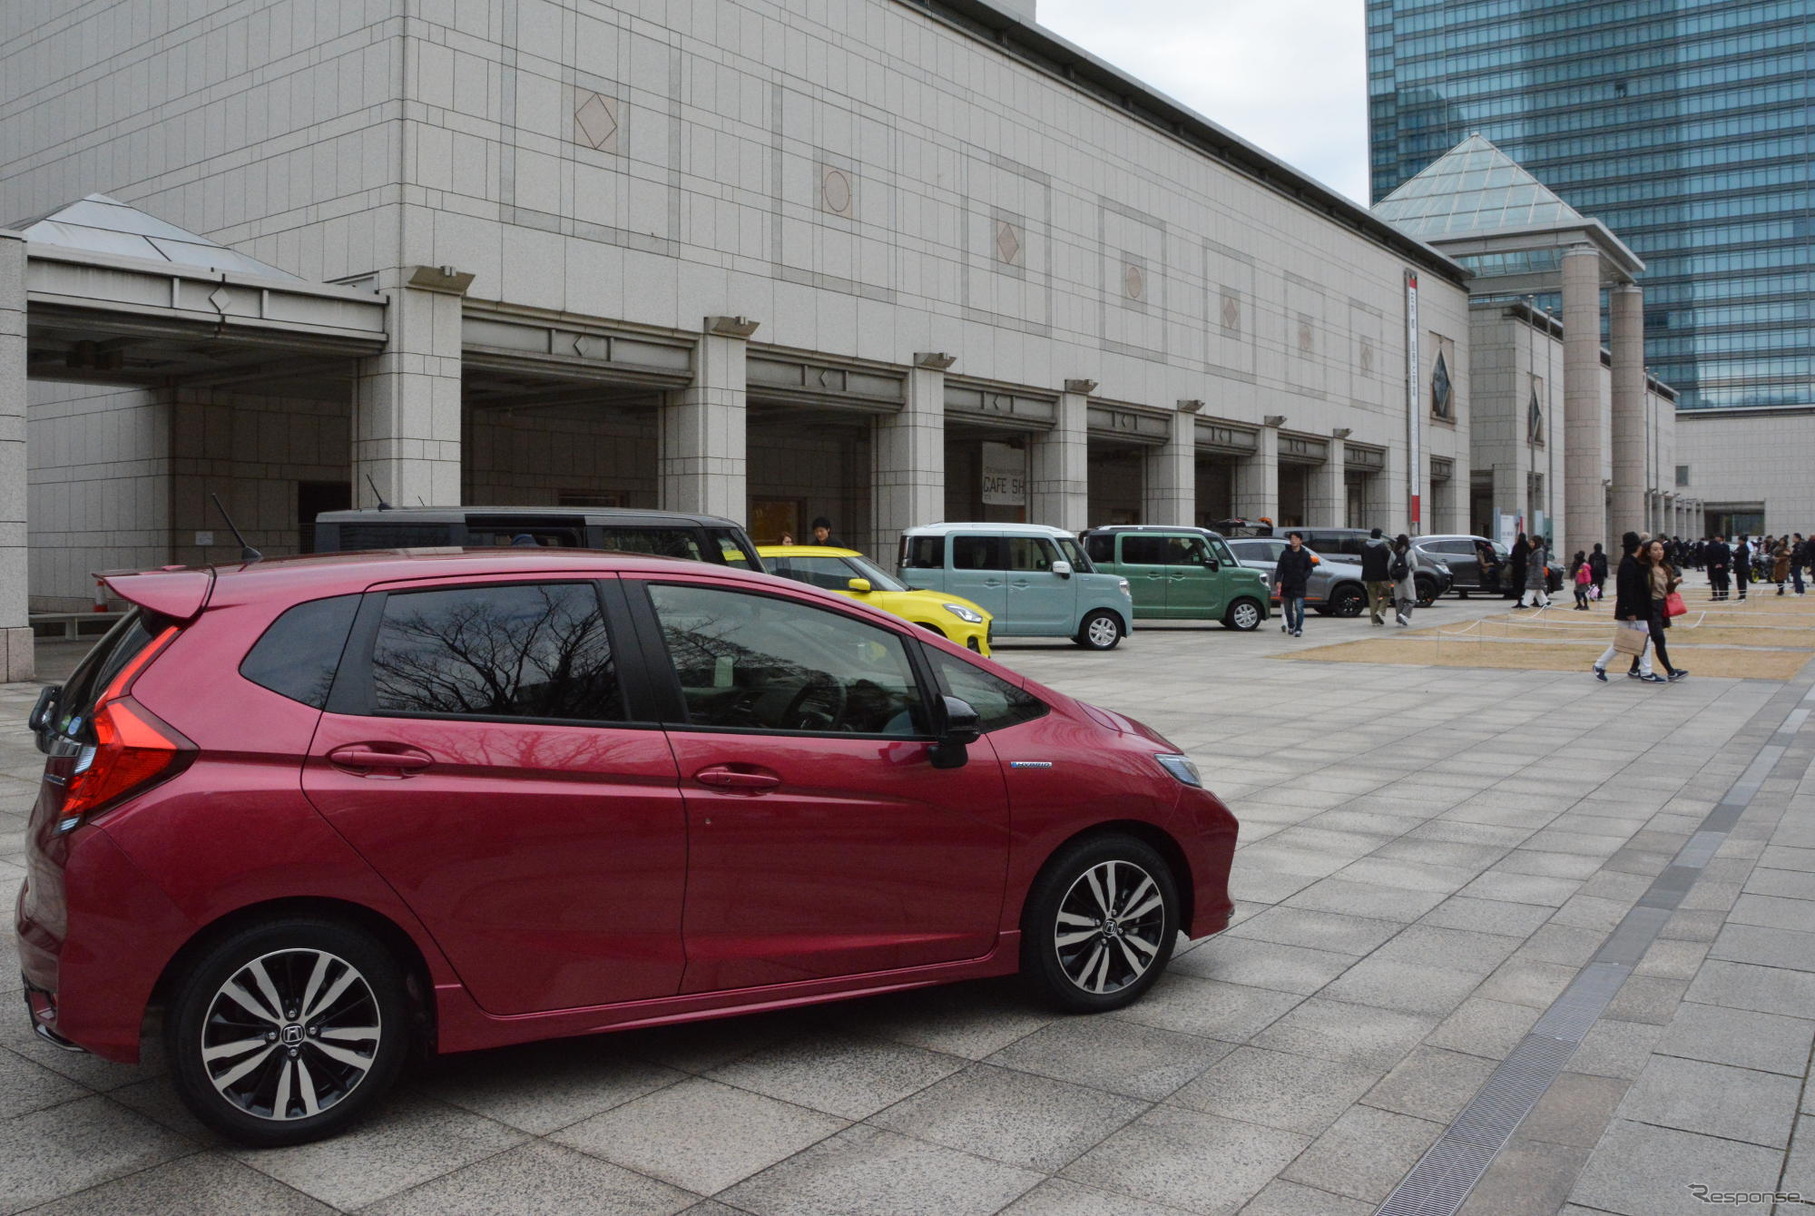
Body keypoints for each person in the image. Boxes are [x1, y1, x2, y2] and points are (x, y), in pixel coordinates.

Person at [1595, 532, 1664, 682]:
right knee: (1641, 639)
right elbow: (1625, 590)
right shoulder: (1628, 563)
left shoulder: (1634, 562)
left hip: (1636, 609)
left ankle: (1600, 664)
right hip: (1632, 610)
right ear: (1637, 547)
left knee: (1626, 641)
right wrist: (1630, 610)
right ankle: (1646, 672)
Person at [1642, 538, 1687, 681]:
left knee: (1646, 639)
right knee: (1658, 638)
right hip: (1650, 607)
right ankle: (1670, 671)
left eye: (1660, 549)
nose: (1659, 552)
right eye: (1655, 549)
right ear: (1648, 553)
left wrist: (1674, 583)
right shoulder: (1645, 569)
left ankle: (1633, 668)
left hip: (1661, 606)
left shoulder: (1664, 568)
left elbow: (1667, 589)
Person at [1273, 530, 1313, 638]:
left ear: (1300, 541)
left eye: (1295, 539)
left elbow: (1310, 568)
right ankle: (1291, 625)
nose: (1293, 541)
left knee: (1299, 608)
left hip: (1299, 585)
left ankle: (1299, 628)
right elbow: (1279, 568)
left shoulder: (1305, 554)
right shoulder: (1285, 554)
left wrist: (1304, 576)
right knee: (1287, 609)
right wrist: (1278, 580)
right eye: (1291, 539)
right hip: (1287, 585)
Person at [1360, 527, 1393, 625]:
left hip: (1369, 576)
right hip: (1382, 576)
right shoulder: (1382, 546)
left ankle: (1374, 621)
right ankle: (1380, 611)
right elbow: (1388, 560)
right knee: (1387, 595)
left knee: (1372, 598)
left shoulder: (1364, 546)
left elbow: (1363, 560)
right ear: (1379, 535)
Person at [1391, 534, 1417, 626]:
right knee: (1411, 599)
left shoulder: (1393, 552)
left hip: (1396, 579)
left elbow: (1389, 566)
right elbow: (1415, 565)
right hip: (1407, 578)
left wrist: (1393, 575)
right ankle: (1403, 614)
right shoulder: (1410, 552)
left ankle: (1399, 619)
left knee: (1399, 599)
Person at [1519, 534, 1551, 608]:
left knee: (1530, 589)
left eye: (1532, 542)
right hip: (1533, 573)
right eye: (1530, 542)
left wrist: (1537, 576)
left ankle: (1525, 603)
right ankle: (1546, 602)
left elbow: (1539, 566)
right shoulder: (1533, 551)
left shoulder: (1539, 553)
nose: (1531, 544)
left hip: (1535, 575)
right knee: (1538, 590)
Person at [1706, 534, 1731, 601]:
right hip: (1717, 566)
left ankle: (1718, 595)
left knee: (1717, 581)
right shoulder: (1719, 546)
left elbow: (1707, 557)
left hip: (1716, 566)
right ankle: (1721, 595)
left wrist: (1720, 564)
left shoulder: (1709, 547)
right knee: (1719, 580)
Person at [1509, 532, 1530, 598]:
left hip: (1516, 568)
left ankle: (1517, 595)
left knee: (1517, 582)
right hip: (1525, 567)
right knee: (1523, 581)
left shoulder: (1516, 546)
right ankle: (1523, 593)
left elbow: (1512, 556)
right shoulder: (1527, 546)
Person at [1734, 534, 1751, 600]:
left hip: (1742, 567)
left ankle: (1742, 595)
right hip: (1739, 567)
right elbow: (1735, 553)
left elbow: (1737, 554)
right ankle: (1741, 594)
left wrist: (1735, 553)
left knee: (1742, 582)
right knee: (1739, 581)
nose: (1738, 541)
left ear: (1743, 541)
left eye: (1739, 540)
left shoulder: (1744, 547)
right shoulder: (1740, 547)